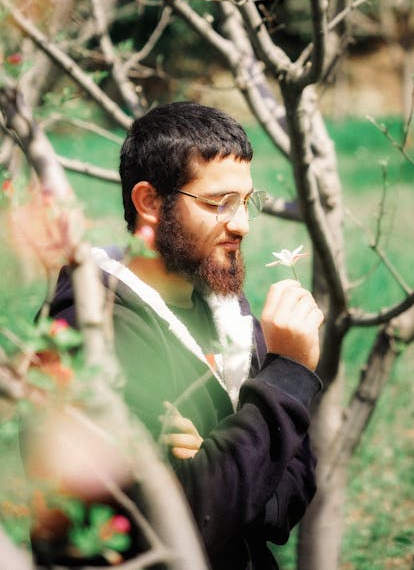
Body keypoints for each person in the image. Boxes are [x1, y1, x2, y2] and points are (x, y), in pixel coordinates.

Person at [46, 102, 324, 570]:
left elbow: (287, 497)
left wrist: (223, 463)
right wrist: (287, 376)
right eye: (219, 204)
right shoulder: (94, 336)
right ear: (150, 202)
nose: (242, 224)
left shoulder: (227, 313)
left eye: (246, 201)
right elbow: (191, 522)